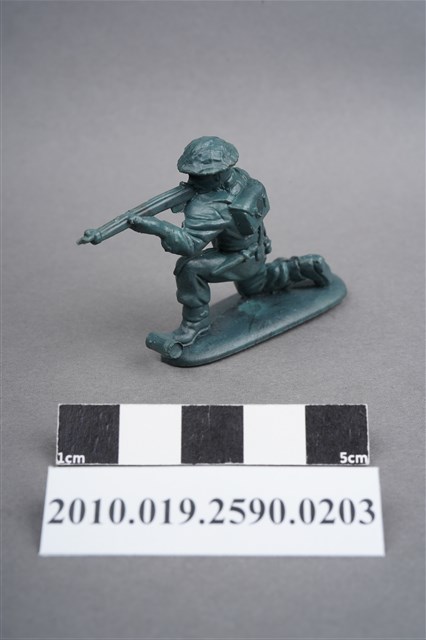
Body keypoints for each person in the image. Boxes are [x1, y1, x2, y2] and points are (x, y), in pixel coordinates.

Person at [129, 136, 331, 347]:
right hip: (257, 249)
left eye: (197, 175)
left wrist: (156, 227)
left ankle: (194, 325)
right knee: (254, 286)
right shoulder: (241, 178)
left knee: (189, 269)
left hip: (237, 258)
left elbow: (189, 245)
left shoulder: (208, 206)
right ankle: (303, 267)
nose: (191, 180)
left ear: (216, 175)